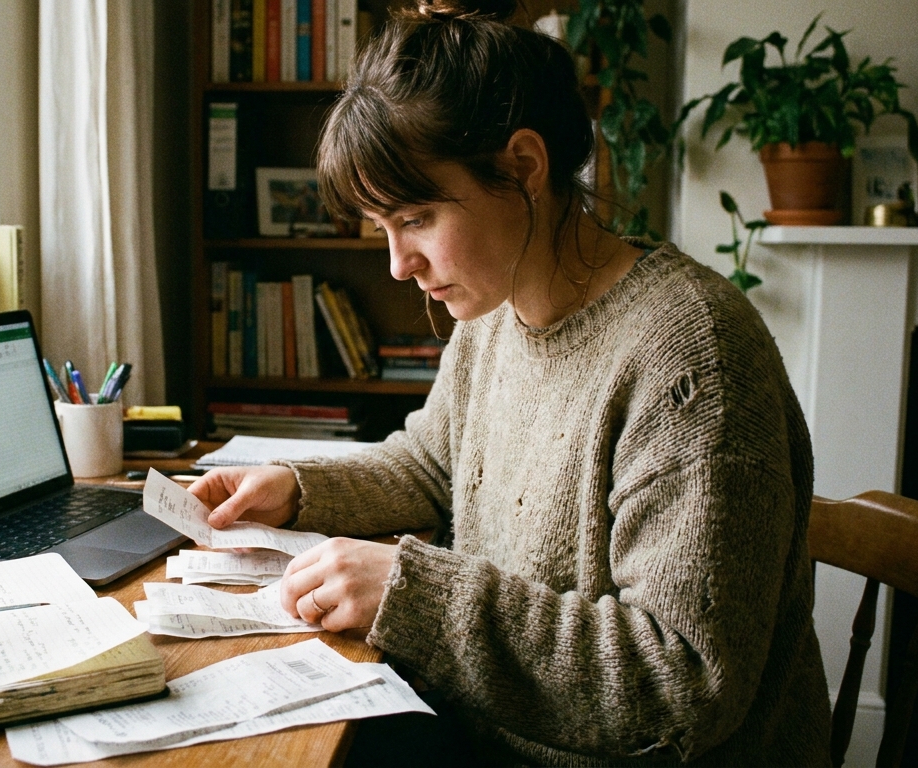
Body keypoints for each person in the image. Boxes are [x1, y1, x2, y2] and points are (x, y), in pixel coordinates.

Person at [187, 0, 831, 764]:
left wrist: (414, 596)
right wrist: (298, 488)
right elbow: (431, 465)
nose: (398, 264)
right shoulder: (493, 309)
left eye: (417, 217)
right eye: (382, 228)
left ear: (524, 168)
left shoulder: (694, 356)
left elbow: (682, 682)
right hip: (496, 732)